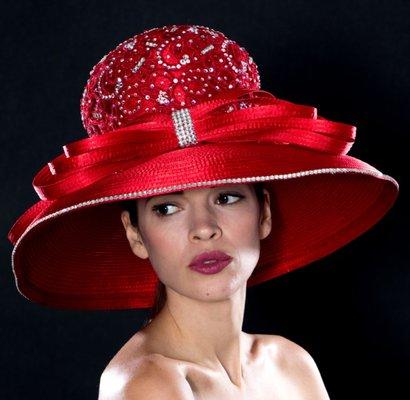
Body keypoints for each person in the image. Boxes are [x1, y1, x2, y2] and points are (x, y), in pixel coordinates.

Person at [7, 24, 399, 399]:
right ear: (134, 233)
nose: (204, 229)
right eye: (167, 207)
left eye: (226, 198)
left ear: (264, 213)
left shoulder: (290, 363)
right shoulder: (148, 386)